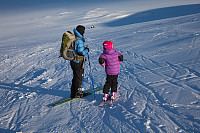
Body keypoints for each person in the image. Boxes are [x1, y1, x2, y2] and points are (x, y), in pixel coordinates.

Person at [70, 25, 89, 98]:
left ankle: (74, 92)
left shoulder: (74, 37)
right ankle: (77, 93)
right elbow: (80, 52)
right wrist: (87, 50)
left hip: (73, 60)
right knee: (79, 77)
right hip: (78, 62)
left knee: (75, 76)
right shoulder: (79, 40)